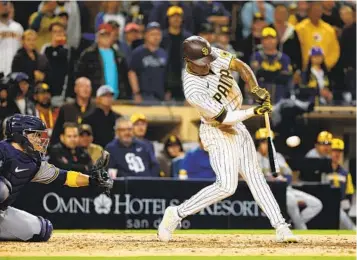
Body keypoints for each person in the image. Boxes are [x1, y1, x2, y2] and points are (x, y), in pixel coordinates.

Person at [158, 36, 297, 243]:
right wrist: (254, 110)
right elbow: (225, 118)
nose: (207, 65)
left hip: (238, 124)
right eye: (202, 64)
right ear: (189, 61)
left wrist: (255, 88)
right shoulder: (193, 89)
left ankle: (280, 227)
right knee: (226, 186)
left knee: (255, 177)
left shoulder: (209, 54)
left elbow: (240, 65)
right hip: (217, 130)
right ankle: (176, 214)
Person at [0, 114, 112, 241]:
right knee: (2, 188)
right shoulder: (3, 150)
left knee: (43, 230)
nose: (39, 139)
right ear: (21, 135)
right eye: (35, 135)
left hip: (2, 212)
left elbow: (63, 177)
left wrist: (92, 180)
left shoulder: (33, 162)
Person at [255, 128, 323, 230]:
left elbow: (289, 175)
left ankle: (293, 224)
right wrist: (270, 179)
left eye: (269, 141)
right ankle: (301, 229)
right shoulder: (254, 157)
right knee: (291, 201)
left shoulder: (278, 156)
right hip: (270, 192)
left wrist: (282, 180)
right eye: (264, 141)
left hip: (285, 190)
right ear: (258, 143)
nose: (267, 144)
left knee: (316, 204)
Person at [76, 23, 130, 100]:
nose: (105, 38)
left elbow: (125, 78)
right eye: (102, 35)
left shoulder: (119, 56)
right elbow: (80, 75)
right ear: (97, 37)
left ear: (112, 37)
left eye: (108, 35)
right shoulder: (88, 55)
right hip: (95, 98)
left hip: (117, 98)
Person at [128, 22, 168, 103]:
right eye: (152, 34)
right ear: (145, 35)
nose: (156, 37)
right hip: (144, 96)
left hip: (160, 96)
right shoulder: (138, 53)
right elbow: (132, 73)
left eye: (158, 34)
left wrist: (167, 91)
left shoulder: (163, 53)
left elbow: (166, 74)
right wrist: (136, 93)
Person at [250, 27, 292, 104]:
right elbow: (253, 79)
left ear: (277, 40)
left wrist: (264, 74)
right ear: (262, 41)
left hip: (280, 99)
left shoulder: (284, 58)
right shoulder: (256, 57)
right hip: (260, 100)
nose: (270, 41)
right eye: (266, 39)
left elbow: (286, 79)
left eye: (272, 38)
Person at [295, 2, 340, 71]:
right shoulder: (299, 29)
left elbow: (335, 51)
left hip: (325, 70)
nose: (316, 13)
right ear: (308, 12)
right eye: (314, 11)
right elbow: (295, 50)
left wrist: (325, 65)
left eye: (319, 11)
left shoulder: (329, 29)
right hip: (304, 70)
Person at [50, 77, 95, 145]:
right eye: (82, 86)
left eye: (88, 86)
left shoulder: (96, 108)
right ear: (75, 89)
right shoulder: (66, 108)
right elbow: (57, 133)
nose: (85, 89)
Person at [161, 6, 192, 101]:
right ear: (168, 19)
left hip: (183, 80)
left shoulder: (188, 37)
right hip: (166, 80)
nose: (176, 19)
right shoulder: (162, 37)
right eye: (173, 16)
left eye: (179, 16)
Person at [329, 138, 356, 230]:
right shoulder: (323, 170)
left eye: (339, 151)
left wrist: (345, 207)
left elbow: (349, 193)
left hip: (340, 205)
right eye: (334, 150)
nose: (337, 154)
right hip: (326, 203)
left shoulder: (344, 173)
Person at [269, 4, 302, 73]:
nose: (280, 15)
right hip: (269, 67)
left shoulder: (292, 31)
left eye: (283, 13)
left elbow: (298, 52)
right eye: (278, 13)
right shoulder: (268, 29)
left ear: (287, 15)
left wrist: (298, 70)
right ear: (274, 14)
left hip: (289, 69)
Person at [40, 22, 68, 97]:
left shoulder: (68, 50)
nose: (57, 34)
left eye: (60, 31)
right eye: (55, 31)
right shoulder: (45, 48)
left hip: (62, 88)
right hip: (48, 87)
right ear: (50, 33)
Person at [0, 1, 23, 76]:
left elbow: (22, 49)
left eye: (6, 5)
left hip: (15, 69)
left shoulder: (17, 27)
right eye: (2, 5)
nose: (5, 7)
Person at [340, 6, 356, 103]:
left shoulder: (350, 30)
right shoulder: (344, 30)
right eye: (343, 15)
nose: (345, 17)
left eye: (347, 14)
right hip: (348, 67)